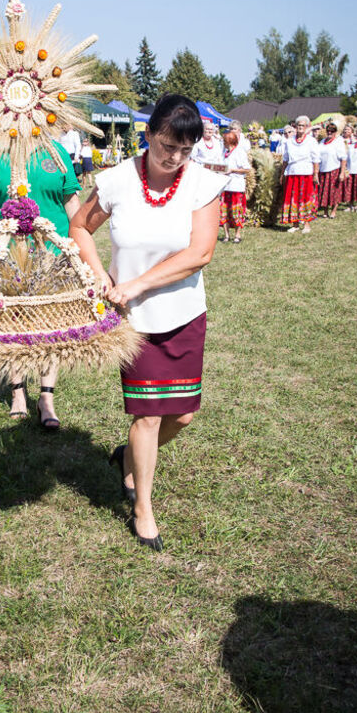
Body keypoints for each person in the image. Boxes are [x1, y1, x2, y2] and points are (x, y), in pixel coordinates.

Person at [69, 94, 225, 551]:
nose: (174, 158)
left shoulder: (202, 184)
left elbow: (200, 254)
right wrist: (103, 279)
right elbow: (79, 227)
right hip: (132, 322)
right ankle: (142, 508)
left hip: (183, 313)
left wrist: (137, 284)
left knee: (184, 413)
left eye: (184, 150)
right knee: (148, 416)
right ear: (149, 134)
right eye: (166, 146)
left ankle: (125, 458)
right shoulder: (117, 181)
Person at [0, 140, 81, 426]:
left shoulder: (56, 151)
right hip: (6, 253)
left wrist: (78, 247)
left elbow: (71, 201)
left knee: (51, 325)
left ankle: (46, 398)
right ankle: (18, 392)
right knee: (13, 324)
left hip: (53, 254)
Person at [279, 115, 320, 234]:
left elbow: (316, 159)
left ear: (307, 127)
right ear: (295, 127)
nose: (301, 127)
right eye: (299, 125)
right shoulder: (289, 141)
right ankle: (295, 224)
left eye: (303, 125)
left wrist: (315, 174)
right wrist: (282, 174)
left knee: (305, 198)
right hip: (292, 172)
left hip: (306, 172)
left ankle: (306, 224)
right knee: (293, 198)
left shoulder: (311, 141)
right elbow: (285, 159)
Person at [219, 131, 251, 242]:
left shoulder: (239, 152)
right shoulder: (224, 152)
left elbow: (246, 169)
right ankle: (226, 235)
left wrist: (233, 170)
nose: (222, 142)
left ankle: (237, 235)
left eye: (224, 140)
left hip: (236, 186)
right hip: (225, 186)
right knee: (224, 210)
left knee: (236, 211)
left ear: (229, 141)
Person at [317, 123, 347, 219]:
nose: (329, 132)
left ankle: (333, 211)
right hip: (323, 170)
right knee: (324, 191)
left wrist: (342, 172)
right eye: (328, 131)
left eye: (332, 131)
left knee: (334, 191)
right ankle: (325, 211)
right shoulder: (322, 141)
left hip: (334, 169)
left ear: (335, 132)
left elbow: (343, 158)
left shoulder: (338, 142)